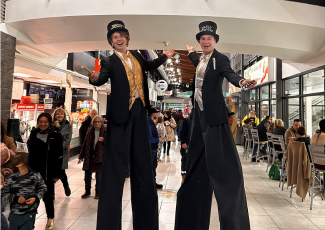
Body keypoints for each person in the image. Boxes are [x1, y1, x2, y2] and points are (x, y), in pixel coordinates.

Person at [87, 20, 175, 229]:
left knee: (143, 162)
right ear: (111, 42)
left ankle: (145, 219)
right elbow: (101, 80)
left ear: (127, 38)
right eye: (114, 38)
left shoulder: (137, 56)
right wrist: (93, 79)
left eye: (121, 36)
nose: (119, 39)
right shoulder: (108, 61)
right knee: (115, 164)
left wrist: (165, 56)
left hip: (139, 110)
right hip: (120, 115)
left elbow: (150, 66)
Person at [175, 21, 256, 230]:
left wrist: (241, 82)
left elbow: (230, 73)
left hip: (214, 118)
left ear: (215, 40)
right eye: (202, 39)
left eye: (209, 38)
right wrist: (191, 53)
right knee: (196, 163)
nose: (205, 41)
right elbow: (195, 61)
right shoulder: (201, 60)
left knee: (224, 169)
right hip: (199, 117)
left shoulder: (220, 59)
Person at [27, 113, 63, 230]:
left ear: (50, 123)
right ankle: (30, 220)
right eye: (40, 121)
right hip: (34, 171)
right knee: (32, 196)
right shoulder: (33, 133)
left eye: (45, 122)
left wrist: (57, 173)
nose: (42, 124)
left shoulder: (55, 135)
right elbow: (29, 150)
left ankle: (50, 217)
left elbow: (59, 156)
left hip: (48, 171)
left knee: (48, 196)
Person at [1, 152, 47, 230]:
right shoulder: (11, 179)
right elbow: (3, 193)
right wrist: (15, 198)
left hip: (29, 213)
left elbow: (43, 188)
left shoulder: (35, 176)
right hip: (14, 214)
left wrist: (36, 197)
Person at [78, 115, 105, 199]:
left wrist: (104, 139)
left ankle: (98, 191)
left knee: (99, 175)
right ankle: (87, 191)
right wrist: (81, 156)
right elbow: (85, 144)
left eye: (98, 122)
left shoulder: (105, 131)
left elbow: (112, 144)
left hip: (100, 156)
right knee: (87, 174)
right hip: (89, 156)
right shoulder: (90, 131)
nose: (97, 123)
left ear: (101, 122)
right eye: (95, 122)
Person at [53, 108, 72, 197]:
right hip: (51, 152)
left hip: (62, 152)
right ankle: (51, 193)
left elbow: (68, 139)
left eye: (61, 114)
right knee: (51, 172)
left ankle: (66, 186)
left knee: (61, 171)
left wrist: (60, 146)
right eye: (57, 114)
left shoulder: (68, 125)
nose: (59, 115)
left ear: (64, 116)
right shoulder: (51, 124)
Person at [148, 107, 163, 189]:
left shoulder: (151, 122)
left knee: (153, 166)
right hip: (150, 149)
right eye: (156, 113)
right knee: (151, 167)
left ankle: (153, 183)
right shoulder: (149, 123)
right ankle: (150, 184)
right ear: (153, 114)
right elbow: (149, 138)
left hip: (153, 149)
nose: (157, 114)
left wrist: (157, 136)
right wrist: (158, 139)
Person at [179, 109, 193, 184]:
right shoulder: (186, 121)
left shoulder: (198, 121)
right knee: (185, 160)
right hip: (186, 145)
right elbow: (181, 132)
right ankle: (183, 177)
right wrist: (183, 142)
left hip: (194, 145)